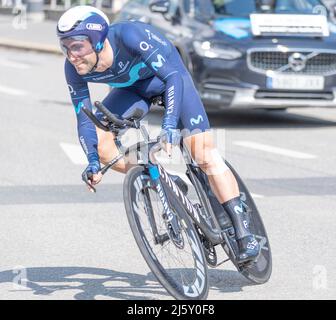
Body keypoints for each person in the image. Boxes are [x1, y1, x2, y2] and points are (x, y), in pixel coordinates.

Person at [57, 5, 260, 263]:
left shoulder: (129, 36)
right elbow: (83, 118)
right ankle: (169, 177)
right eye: (65, 47)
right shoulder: (72, 68)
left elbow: (173, 76)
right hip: (135, 91)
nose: (71, 55)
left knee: (202, 152)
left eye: (77, 46)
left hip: (172, 81)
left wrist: (168, 126)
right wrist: (93, 163)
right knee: (102, 146)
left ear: (97, 41)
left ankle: (244, 230)